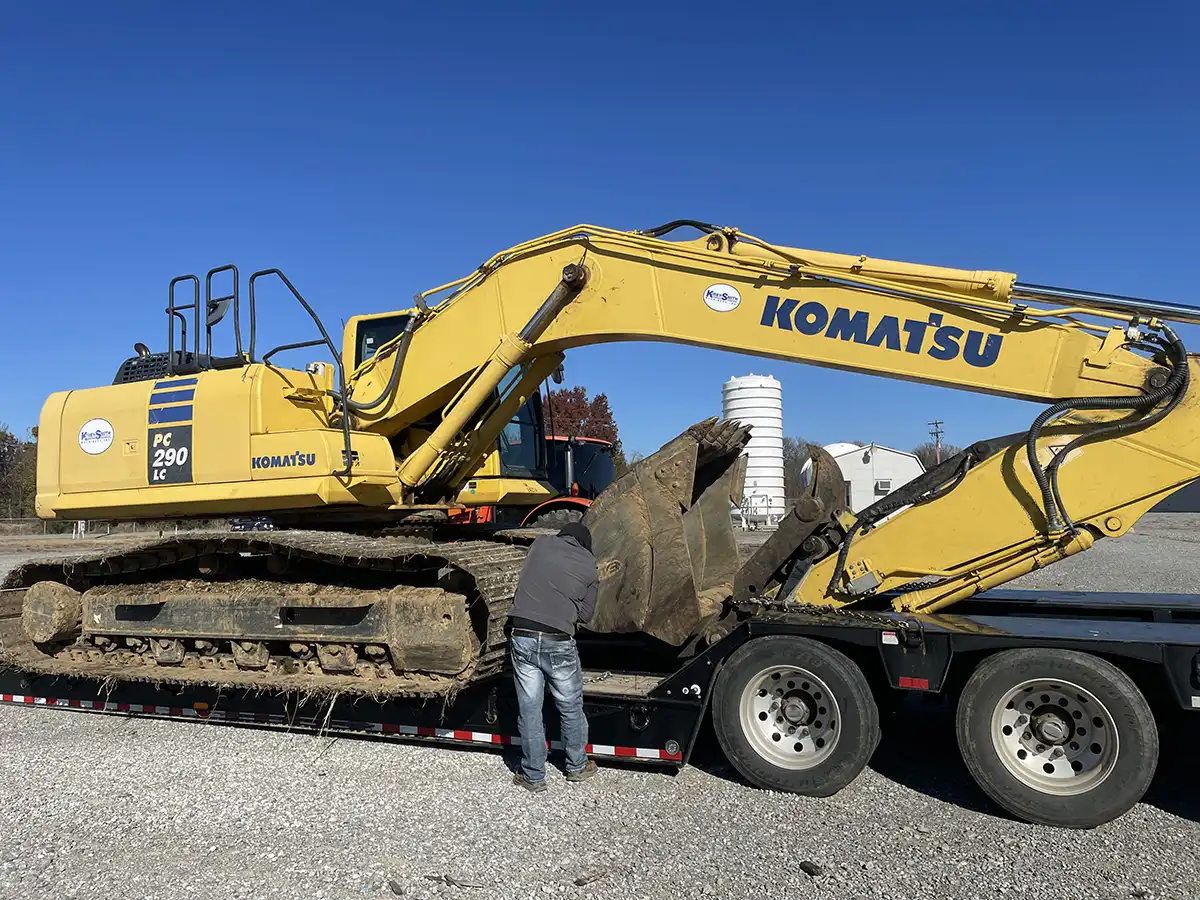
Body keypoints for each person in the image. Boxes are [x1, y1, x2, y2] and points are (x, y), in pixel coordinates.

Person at [506, 521, 599, 792]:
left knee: (530, 708)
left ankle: (533, 776)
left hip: (522, 634)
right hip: (558, 640)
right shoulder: (590, 565)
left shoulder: (540, 544)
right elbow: (586, 616)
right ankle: (577, 766)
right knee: (570, 705)